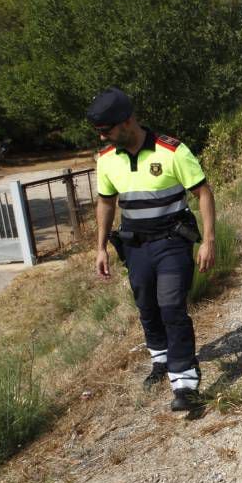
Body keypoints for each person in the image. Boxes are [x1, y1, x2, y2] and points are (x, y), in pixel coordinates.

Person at [89, 87, 217, 412]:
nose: (104, 137)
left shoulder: (171, 151)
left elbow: (203, 192)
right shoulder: (106, 160)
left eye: (108, 130)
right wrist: (100, 247)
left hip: (173, 242)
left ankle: (185, 382)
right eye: (100, 132)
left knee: (171, 305)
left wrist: (209, 241)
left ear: (128, 121)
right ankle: (161, 360)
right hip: (136, 247)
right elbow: (106, 202)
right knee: (147, 305)